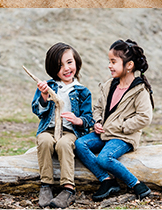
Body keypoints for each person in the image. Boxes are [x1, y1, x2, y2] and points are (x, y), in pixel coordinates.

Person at [78, 39, 156, 202]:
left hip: (123, 137)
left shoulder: (140, 90)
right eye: (109, 61)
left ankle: (136, 184)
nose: (109, 65)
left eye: (114, 62)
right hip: (104, 133)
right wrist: (97, 122)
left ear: (129, 65)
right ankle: (107, 180)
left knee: (104, 158)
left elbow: (145, 117)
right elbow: (98, 108)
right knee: (79, 144)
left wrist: (122, 127)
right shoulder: (109, 85)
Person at [33, 43, 94, 208]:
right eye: (60, 66)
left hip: (70, 131)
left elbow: (89, 118)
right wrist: (44, 96)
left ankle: (68, 188)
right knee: (44, 140)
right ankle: (46, 185)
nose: (66, 68)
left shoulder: (82, 91)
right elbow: (38, 110)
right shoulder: (48, 86)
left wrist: (78, 120)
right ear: (52, 68)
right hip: (49, 128)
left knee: (64, 144)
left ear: (76, 62)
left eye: (69, 62)